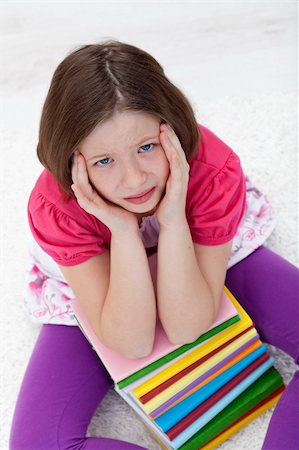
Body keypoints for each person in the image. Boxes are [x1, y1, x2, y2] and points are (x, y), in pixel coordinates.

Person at [10, 41, 298, 450]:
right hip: (102, 273)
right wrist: (124, 233)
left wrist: (174, 218)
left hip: (198, 241)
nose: (134, 180)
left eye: (147, 147)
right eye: (104, 161)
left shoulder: (210, 172)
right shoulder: (58, 208)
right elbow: (133, 341)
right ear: (74, 162)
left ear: (173, 130)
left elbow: (188, 327)